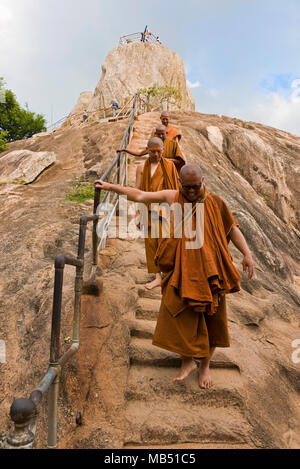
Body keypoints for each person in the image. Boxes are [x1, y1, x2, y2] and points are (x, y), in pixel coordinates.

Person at [94, 164, 254, 389]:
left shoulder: (216, 202)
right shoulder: (173, 197)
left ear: (203, 180)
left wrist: (247, 254)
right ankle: (187, 360)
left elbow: (232, 229)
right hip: (181, 269)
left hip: (210, 270)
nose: (190, 191)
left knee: (212, 318)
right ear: (180, 183)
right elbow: (141, 195)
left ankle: (205, 365)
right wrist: (110, 186)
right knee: (177, 312)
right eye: (186, 187)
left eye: (195, 187)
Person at [135, 137, 179, 290]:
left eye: (158, 151)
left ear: (163, 151)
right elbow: (137, 191)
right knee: (151, 244)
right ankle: (158, 277)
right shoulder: (141, 167)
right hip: (148, 208)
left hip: (165, 210)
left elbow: (176, 189)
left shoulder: (170, 166)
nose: (155, 154)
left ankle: (169, 274)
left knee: (165, 242)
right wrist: (137, 211)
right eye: (152, 151)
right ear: (147, 150)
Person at [118, 125, 185, 174]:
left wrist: (166, 160)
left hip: (169, 172)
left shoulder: (173, 144)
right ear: (155, 134)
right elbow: (140, 153)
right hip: (155, 172)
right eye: (159, 134)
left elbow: (179, 161)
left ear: (166, 133)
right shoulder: (154, 144)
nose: (161, 136)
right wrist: (125, 150)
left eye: (162, 134)